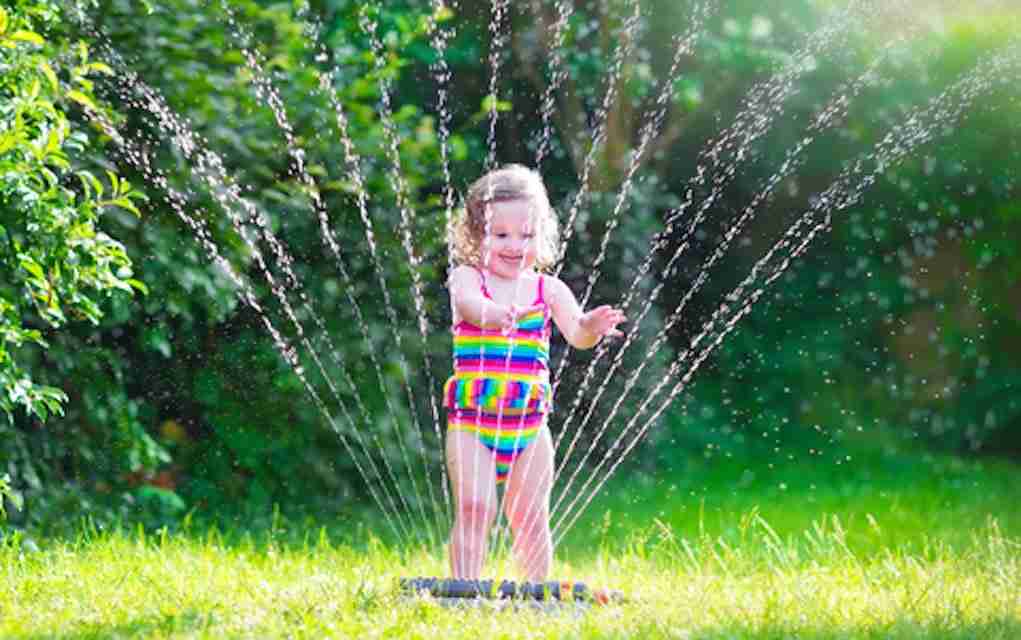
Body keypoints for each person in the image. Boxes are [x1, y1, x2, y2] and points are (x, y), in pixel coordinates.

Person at [443, 164, 626, 581]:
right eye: (500, 234)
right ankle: (464, 593)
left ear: (540, 234)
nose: (514, 245)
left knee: (530, 515)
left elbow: (576, 333)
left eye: (526, 235)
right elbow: (471, 307)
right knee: (475, 508)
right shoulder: (468, 277)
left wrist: (591, 328)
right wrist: (496, 315)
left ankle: (537, 594)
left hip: (529, 425)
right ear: (474, 234)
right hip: (472, 423)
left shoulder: (549, 289)